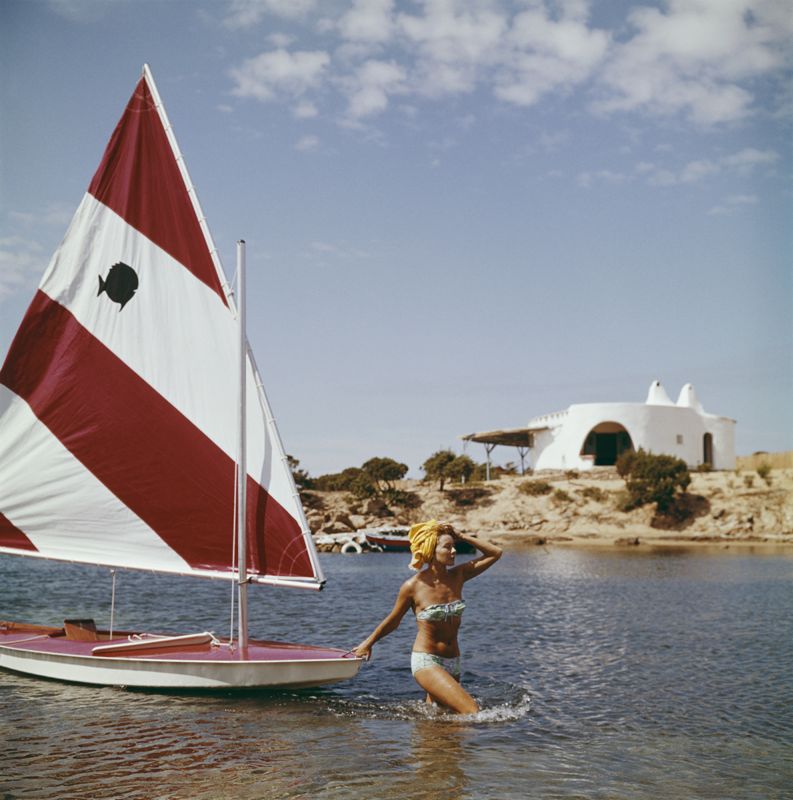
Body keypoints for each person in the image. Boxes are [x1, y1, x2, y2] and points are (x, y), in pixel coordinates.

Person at [353, 520, 502, 714]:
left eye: (454, 546)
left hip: (453, 661)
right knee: (472, 712)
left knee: (438, 719)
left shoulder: (459, 575)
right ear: (432, 550)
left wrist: (461, 535)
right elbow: (394, 620)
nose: (454, 551)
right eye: (447, 547)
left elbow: (495, 553)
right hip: (427, 661)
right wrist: (368, 643)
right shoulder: (412, 586)